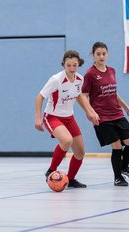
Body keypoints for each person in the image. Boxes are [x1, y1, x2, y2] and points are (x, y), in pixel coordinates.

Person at [34, 50, 97, 188]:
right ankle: (51, 170)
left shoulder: (80, 79)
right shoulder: (56, 79)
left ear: (78, 64)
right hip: (52, 116)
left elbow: (79, 96)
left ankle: (71, 179)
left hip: (69, 118)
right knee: (67, 140)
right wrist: (38, 118)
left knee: (80, 152)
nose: (72, 68)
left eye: (74, 65)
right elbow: (40, 97)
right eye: (68, 65)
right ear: (64, 64)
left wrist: (89, 112)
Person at [82, 41, 129, 186]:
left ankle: (124, 167)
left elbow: (113, 92)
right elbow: (84, 96)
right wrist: (90, 113)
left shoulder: (111, 71)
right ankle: (117, 177)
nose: (101, 56)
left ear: (107, 54)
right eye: (98, 54)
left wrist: (126, 107)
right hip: (102, 116)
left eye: (104, 53)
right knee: (116, 145)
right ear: (93, 55)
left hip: (117, 113)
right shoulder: (90, 74)